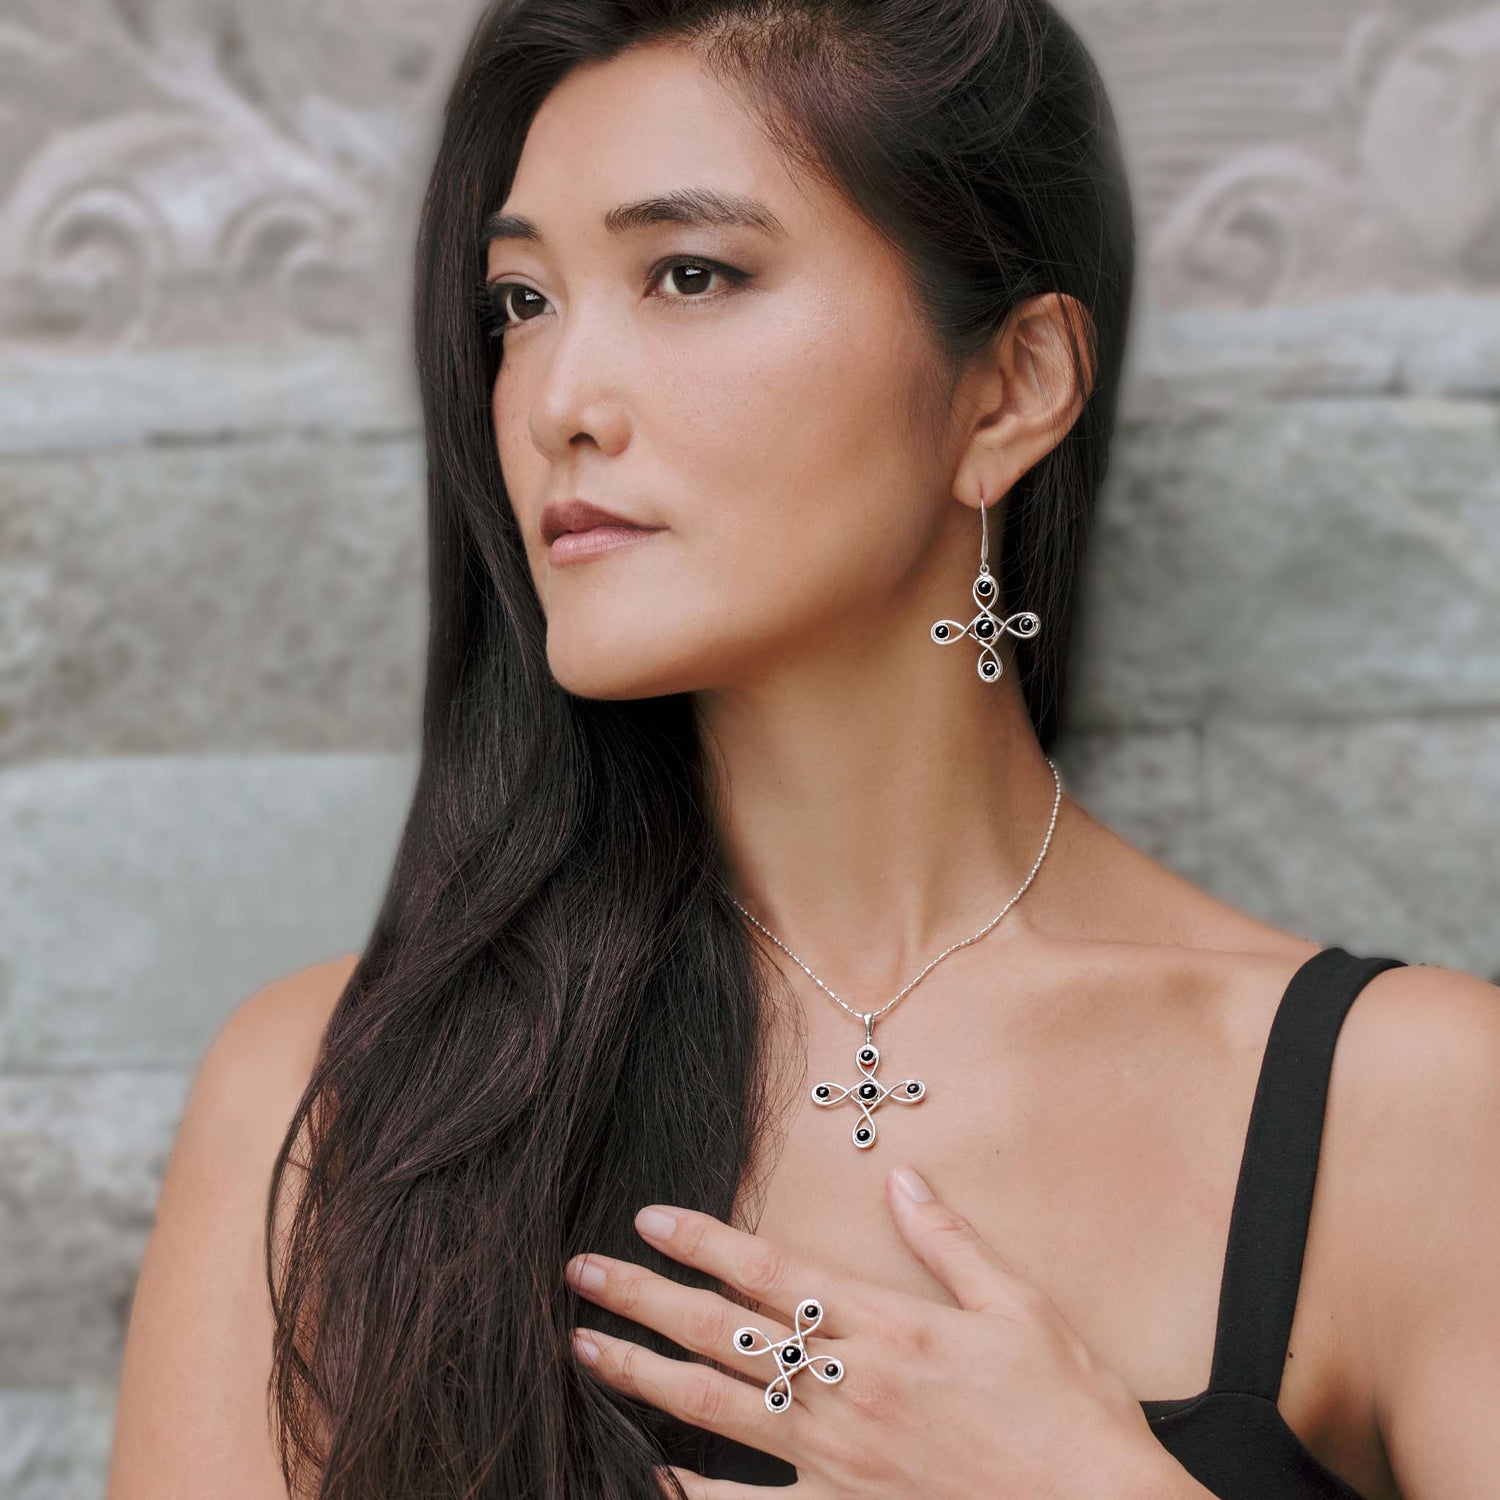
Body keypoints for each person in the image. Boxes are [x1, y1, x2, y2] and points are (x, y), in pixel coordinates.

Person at [105, 1, 1500, 1496]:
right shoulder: (329, 1099)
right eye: (520, 303)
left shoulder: (1410, 1106)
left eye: (691, 273)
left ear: (1012, 385)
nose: (559, 404)